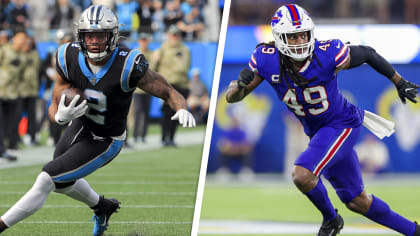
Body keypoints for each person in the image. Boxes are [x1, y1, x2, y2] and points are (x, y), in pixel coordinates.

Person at [0, 5, 195, 236]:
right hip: (81, 124)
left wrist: (182, 107)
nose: (93, 41)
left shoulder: (127, 63)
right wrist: (59, 117)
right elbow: (55, 101)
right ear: (80, 36)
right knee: (62, 182)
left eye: (100, 35)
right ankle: (102, 207)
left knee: (47, 178)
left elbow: (168, 91)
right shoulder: (67, 55)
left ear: (112, 36)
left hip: (107, 138)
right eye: (88, 35)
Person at [226, 4, 420, 236]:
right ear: (279, 38)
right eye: (292, 37)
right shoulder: (266, 59)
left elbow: (367, 53)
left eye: (302, 35)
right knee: (358, 201)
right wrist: (239, 85)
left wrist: (399, 82)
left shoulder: (327, 53)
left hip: (342, 124)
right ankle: (414, 231)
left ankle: (331, 219)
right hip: (320, 133)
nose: (299, 42)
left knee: (302, 174)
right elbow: (232, 98)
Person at [154, 24, 191, 146]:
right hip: (169, 86)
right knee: (167, 113)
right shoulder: (162, 49)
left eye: (177, 34)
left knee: (179, 113)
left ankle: (172, 138)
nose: (175, 37)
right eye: (173, 34)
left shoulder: (185, 49)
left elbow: (188, 66)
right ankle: (164, 138)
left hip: (182, 84)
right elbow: (154, 67)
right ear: (169, 35)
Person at [0, 30, 26, 161]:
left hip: (13, 92)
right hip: (1, 90)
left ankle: (11, 145)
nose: (22, 41)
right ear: (14, 38)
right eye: (20, 37)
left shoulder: (23, 56)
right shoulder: (4, 50)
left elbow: (22, 75)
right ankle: (2, 150)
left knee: (13, 120)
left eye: (24, 38)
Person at [133, 32, 153, 143]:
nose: (144, 42)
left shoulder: (152, 53)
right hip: (138, 89)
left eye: (145, 40)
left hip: (149, 89)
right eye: (142, 40)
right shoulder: (135, 53)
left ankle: (143, 136)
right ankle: (136, 135)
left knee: (146, 113)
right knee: (138, 112)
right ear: (139, 41)